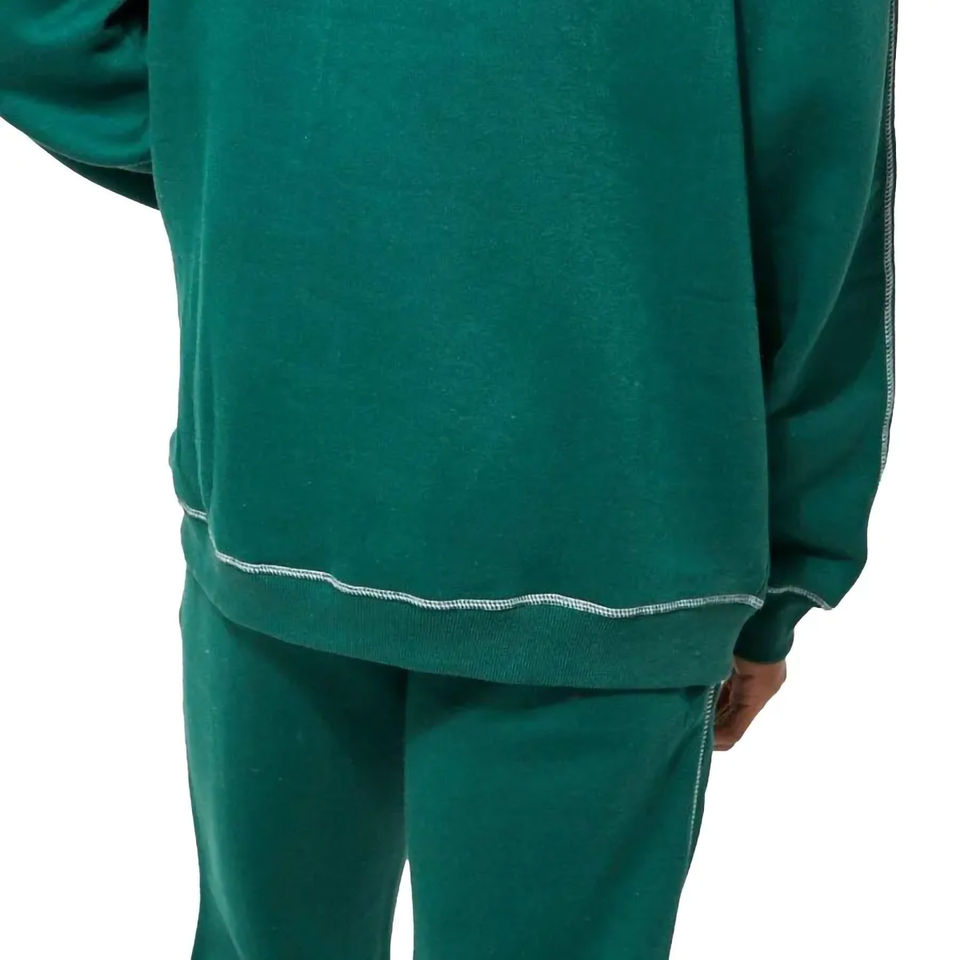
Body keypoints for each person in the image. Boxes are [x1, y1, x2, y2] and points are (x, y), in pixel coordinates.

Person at [0, 1, 898, 956]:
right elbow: (823, 160)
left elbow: (37, 28)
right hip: (612, 513)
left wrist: (253, 133)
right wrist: (792, 564)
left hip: (285, 457)